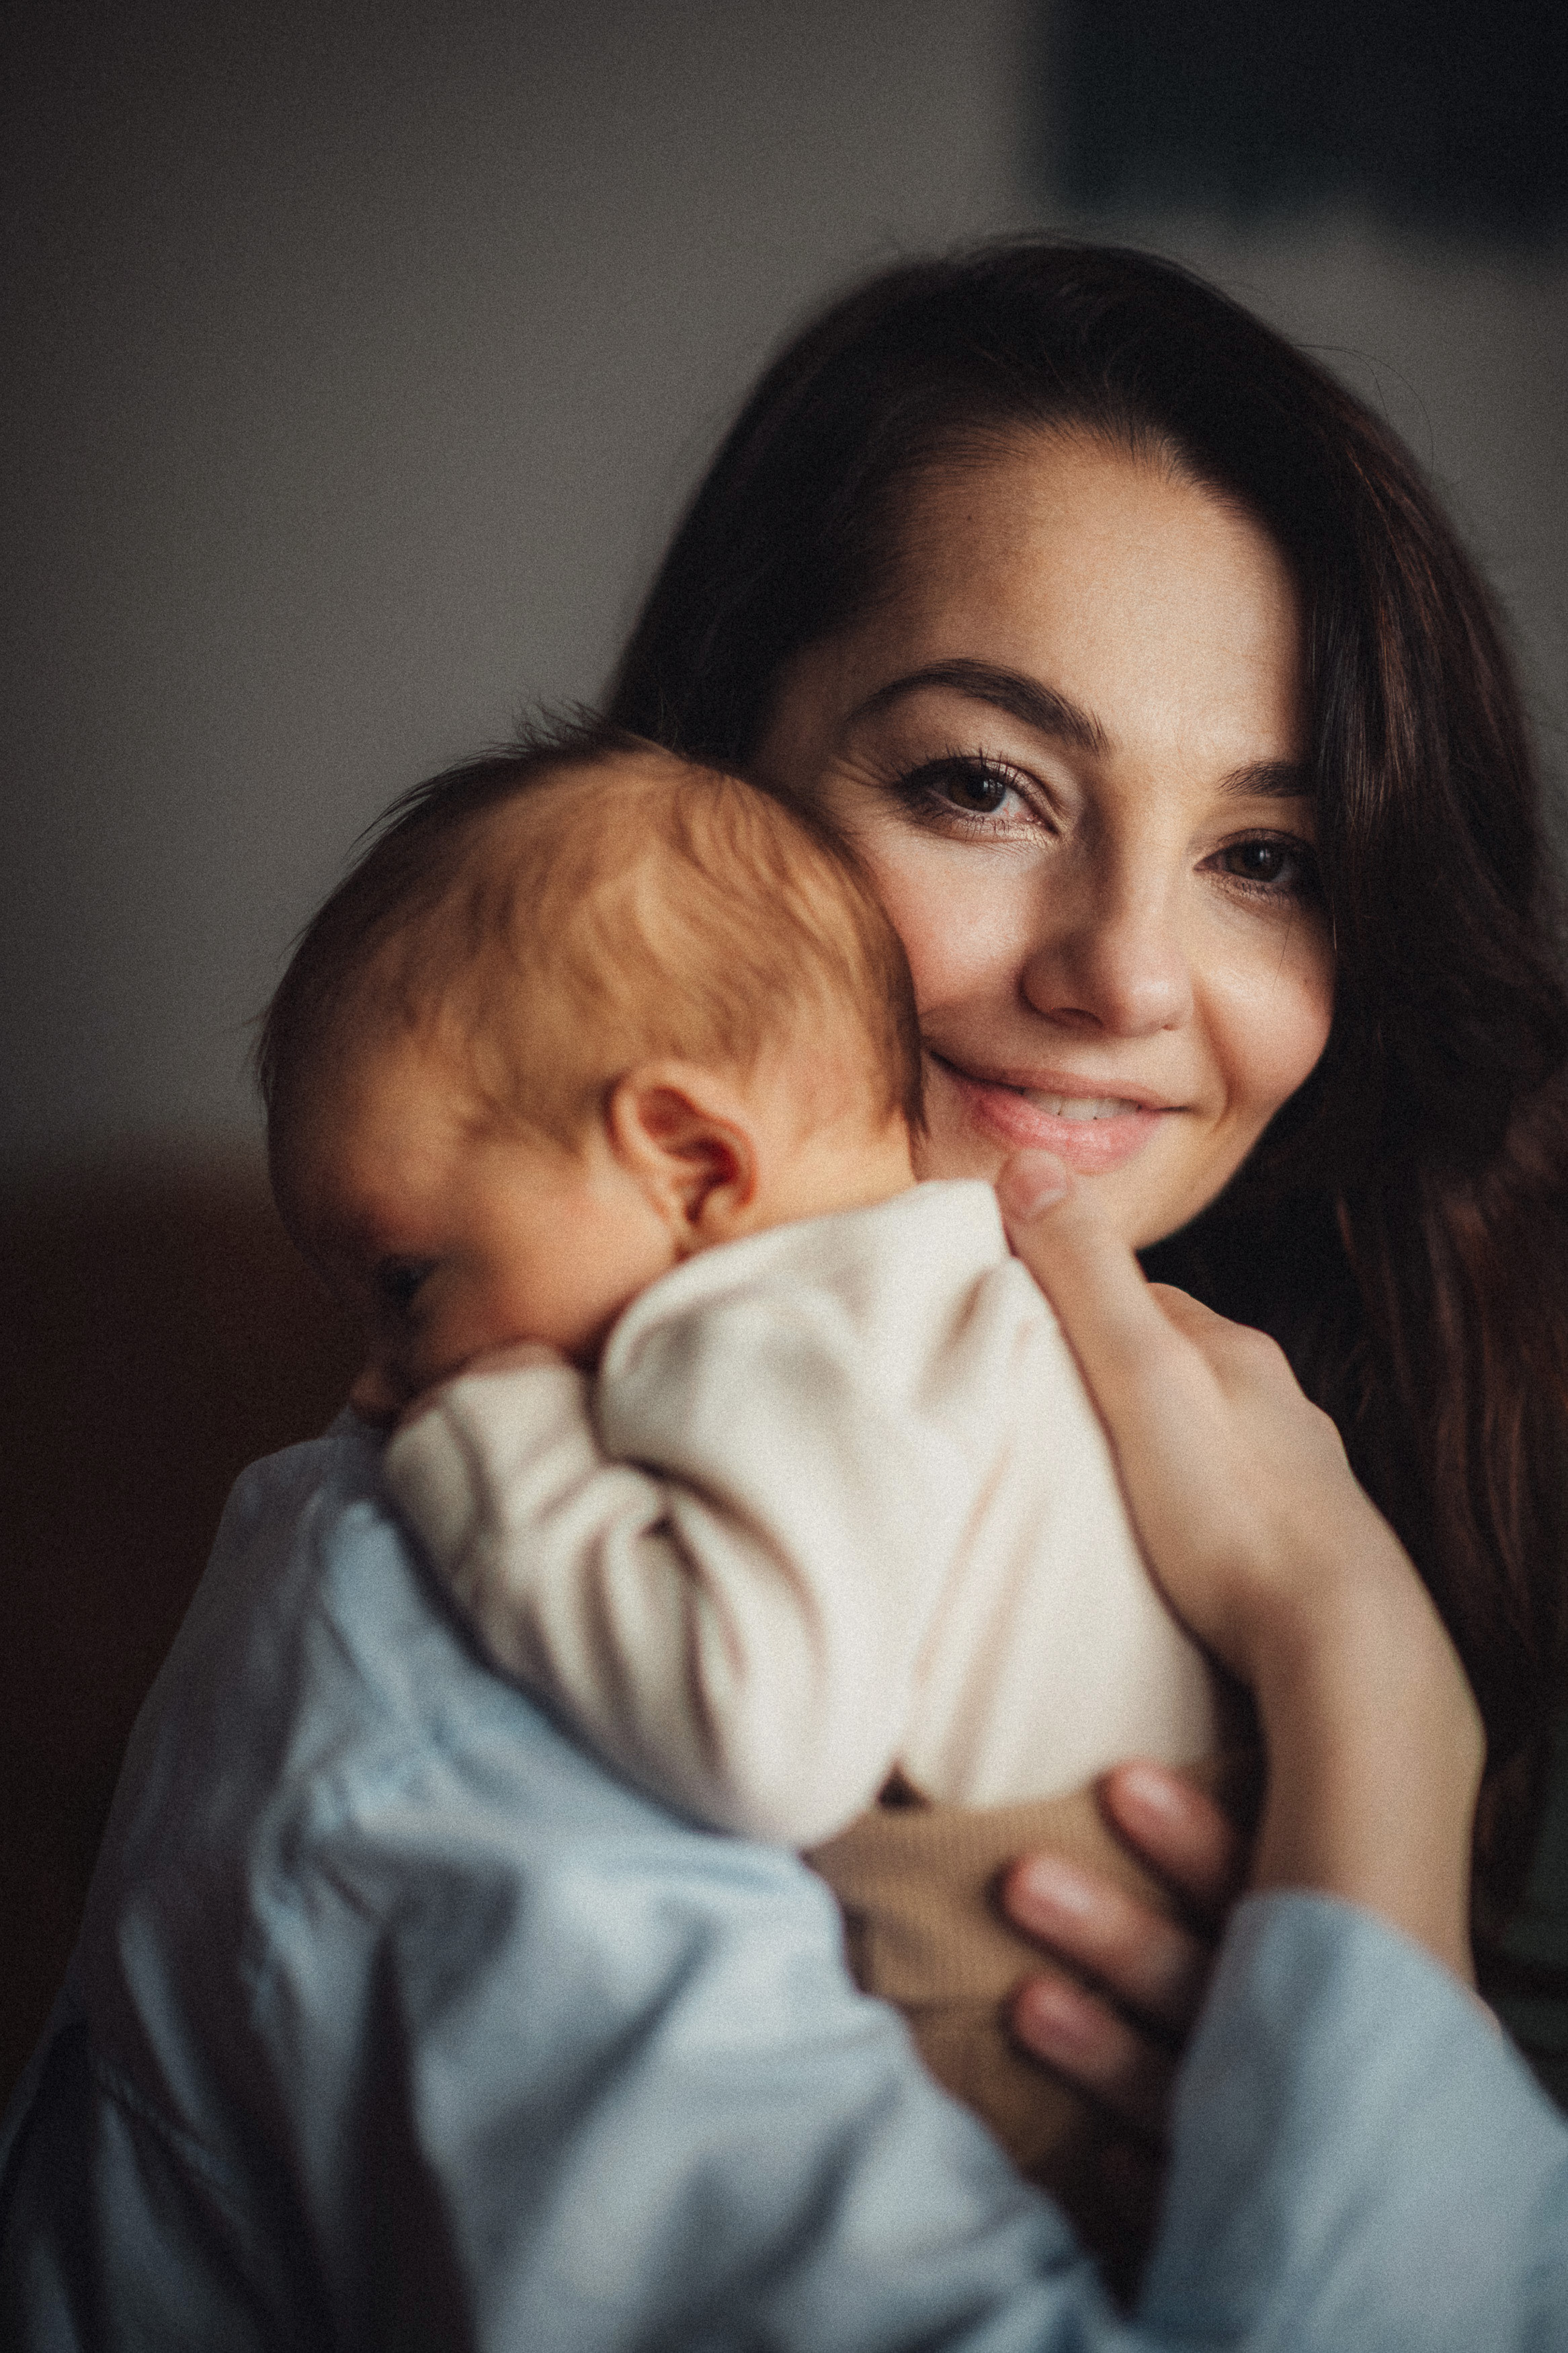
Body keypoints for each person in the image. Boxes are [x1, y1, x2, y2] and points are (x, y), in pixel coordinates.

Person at [606, 237, 1568, 1999]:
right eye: (982, 788)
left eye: (1261, 858)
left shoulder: (1480, 1499)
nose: (1120, 977)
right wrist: (1364, 1696)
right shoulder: (447, 1556)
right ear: (706, 768)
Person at [257, 717, 1239, 2265]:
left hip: (1004, 2024)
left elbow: (764, 1736)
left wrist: (492, 1445)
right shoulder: (928, 1299)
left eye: (409, 1282)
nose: (382, 1383)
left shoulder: (775, 1332)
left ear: (694, 1163)